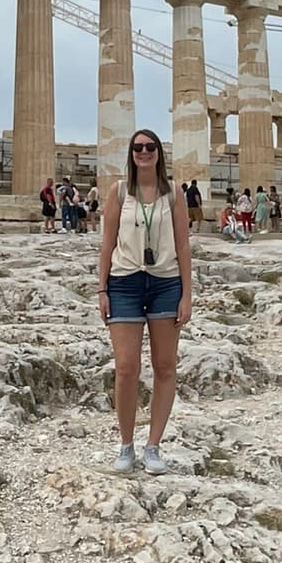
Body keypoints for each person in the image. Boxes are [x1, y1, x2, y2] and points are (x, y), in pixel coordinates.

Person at [98, 128, 193, 476]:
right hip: (124, 283)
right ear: (131, 153)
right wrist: (101, 289)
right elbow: (107, 243)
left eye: (150, 146)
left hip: (166, 283)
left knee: (165, 366)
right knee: (126, 368)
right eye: (137, 147)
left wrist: (187, 293)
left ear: (159, 153)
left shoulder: (174, 194)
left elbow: (183, 245)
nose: (144, 152)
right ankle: (126, 444)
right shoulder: (119, 192)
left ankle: (153, 446)